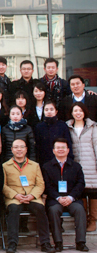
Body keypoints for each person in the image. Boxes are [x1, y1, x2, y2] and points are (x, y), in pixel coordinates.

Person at [2, 138, 55, 253]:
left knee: (41, 209)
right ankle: (12, 244)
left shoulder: (34, 165)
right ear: (12, 150)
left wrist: (32, 195)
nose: (19, 149)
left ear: (26, 149)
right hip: (14, 198)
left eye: (22, 147)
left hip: (32, 197)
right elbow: (3, 185)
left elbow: (40, 184)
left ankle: (45, 243)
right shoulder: (5, 166)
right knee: (13, 210)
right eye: (16, 147)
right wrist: (16, 195)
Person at [42, 138, 89, 252]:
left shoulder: (76, 166)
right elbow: (47, 185)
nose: (61, 150)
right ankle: (58, 243)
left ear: (68, 150)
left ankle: (81, 242)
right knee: (53, 211)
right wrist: (58, 197)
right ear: (53, 150)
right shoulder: (46, 166)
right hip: (55, 199)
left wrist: (70, 197)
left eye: (63, 147)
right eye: (58, 148)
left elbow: (81, 183)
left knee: (80, 209)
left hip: (73, 198)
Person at [66, 102, 97, 231]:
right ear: (72, 113)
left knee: (94, 193)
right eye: (75, 111)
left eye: (80, 110)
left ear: (84, 112)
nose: (78, 113)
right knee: (81, 193)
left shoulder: (92, 127)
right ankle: (82, 220)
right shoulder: (68, 127)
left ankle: (93, 220)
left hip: (91, 164)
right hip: (76, 165)